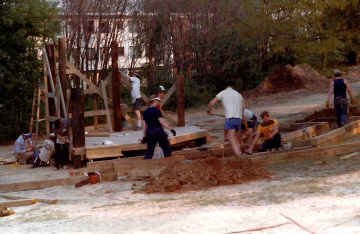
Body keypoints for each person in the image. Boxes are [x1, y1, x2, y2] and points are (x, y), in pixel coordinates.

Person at [207, 80, 245, 157]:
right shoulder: (238, 94)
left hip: (230, 119)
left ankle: (239, 155)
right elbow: (243, 107)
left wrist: (208, 110)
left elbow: (211, 103)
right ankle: (240, 153)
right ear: (233, 86)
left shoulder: (223, 93)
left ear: (225, 86)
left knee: (232, 140)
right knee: (236, 139)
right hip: (238, 119)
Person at [141, 95, 176, 160]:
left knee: (150, 151)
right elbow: (161, 122)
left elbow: (144, 125)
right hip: (158, 131)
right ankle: (168, 164)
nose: (159, 102)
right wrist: (171, 129)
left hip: (149, 132)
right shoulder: (157, 110)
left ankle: (145, 165)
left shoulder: (145, 112)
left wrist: (144, 136)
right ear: (155, 100)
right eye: (158, 101)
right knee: (166, 148)